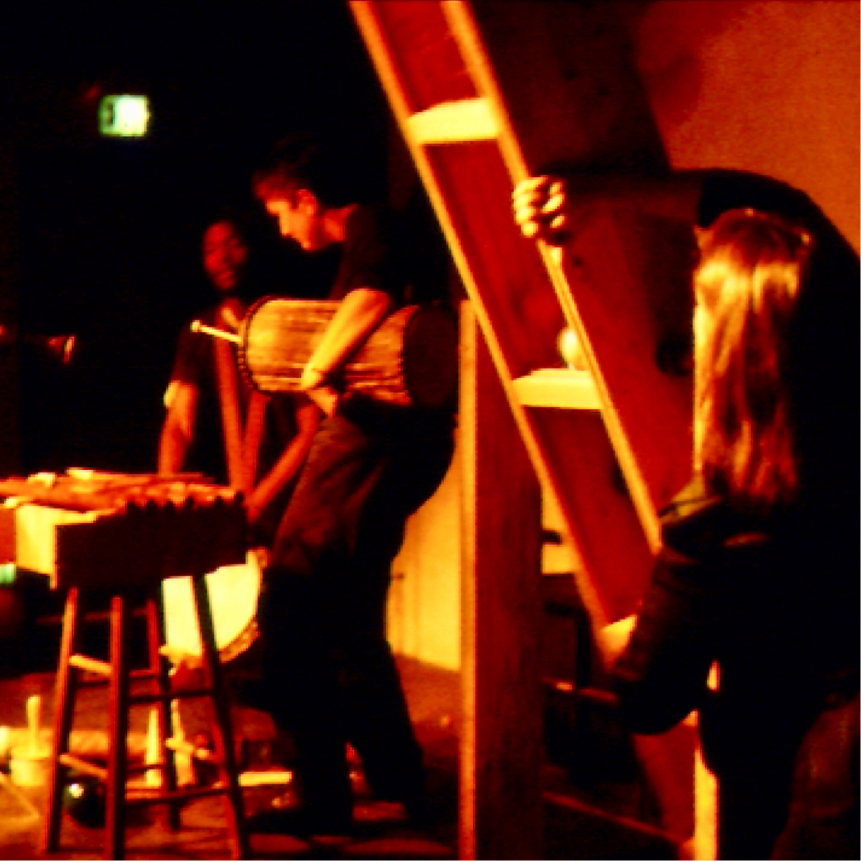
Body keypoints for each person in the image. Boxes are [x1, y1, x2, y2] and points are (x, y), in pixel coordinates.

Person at [513, 175, 859, 859]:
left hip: (808, 800)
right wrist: (594, 193)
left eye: (697, 308)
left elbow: (650, 698)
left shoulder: (713, 521)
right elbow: (774, 204)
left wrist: (627, 635)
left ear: (723, 341)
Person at [248, 134, 455, 837]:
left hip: (372, 444)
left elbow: (371, 294)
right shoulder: (380, 231)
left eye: (280, 213)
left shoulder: (371, 225)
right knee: (349, 622)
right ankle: (397, 779)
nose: (281, 228)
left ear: (308, 201)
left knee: (289, 607)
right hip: (393, 443)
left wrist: (314, 369)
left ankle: (324, 789)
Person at [158, 212, 320, 545]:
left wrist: (259, 503)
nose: (224, 258)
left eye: (233, 244)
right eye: (211, 250)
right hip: (224, 523)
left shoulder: (286, 322)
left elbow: (310, 431)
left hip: (288, 519)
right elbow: (179, 425)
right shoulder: (199, 332)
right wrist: (164, 499)